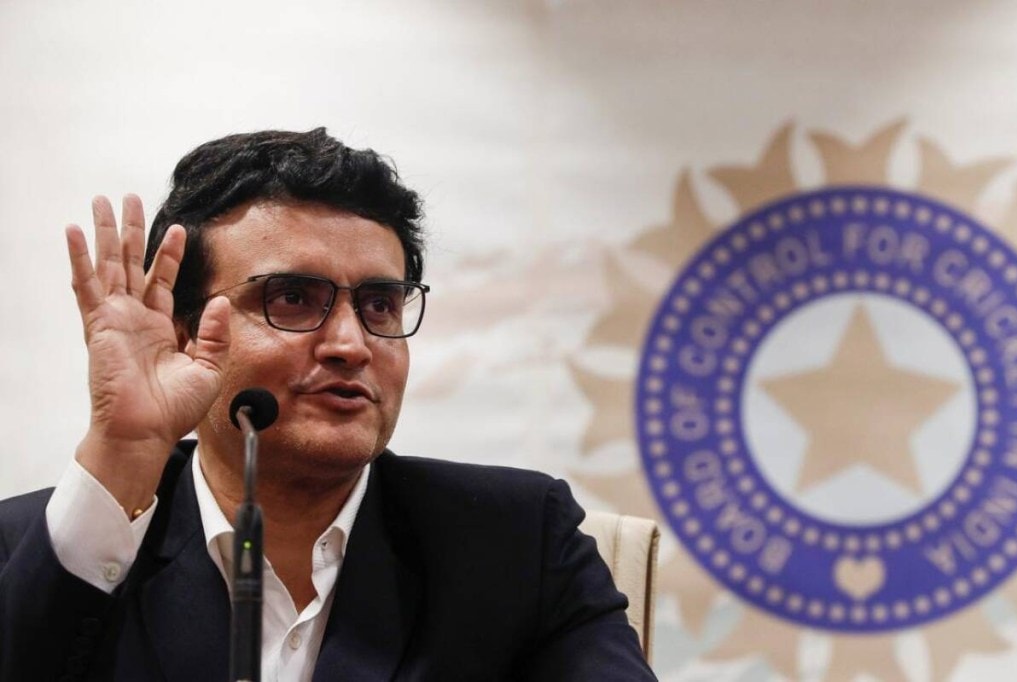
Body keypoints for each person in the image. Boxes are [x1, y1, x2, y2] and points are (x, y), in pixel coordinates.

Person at [0, 128, 656, 681]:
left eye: (379, 305)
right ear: (181, 334)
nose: (350, 344)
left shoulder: (516, 543)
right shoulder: (41, 549)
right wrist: (122, 456)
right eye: (291, 299)